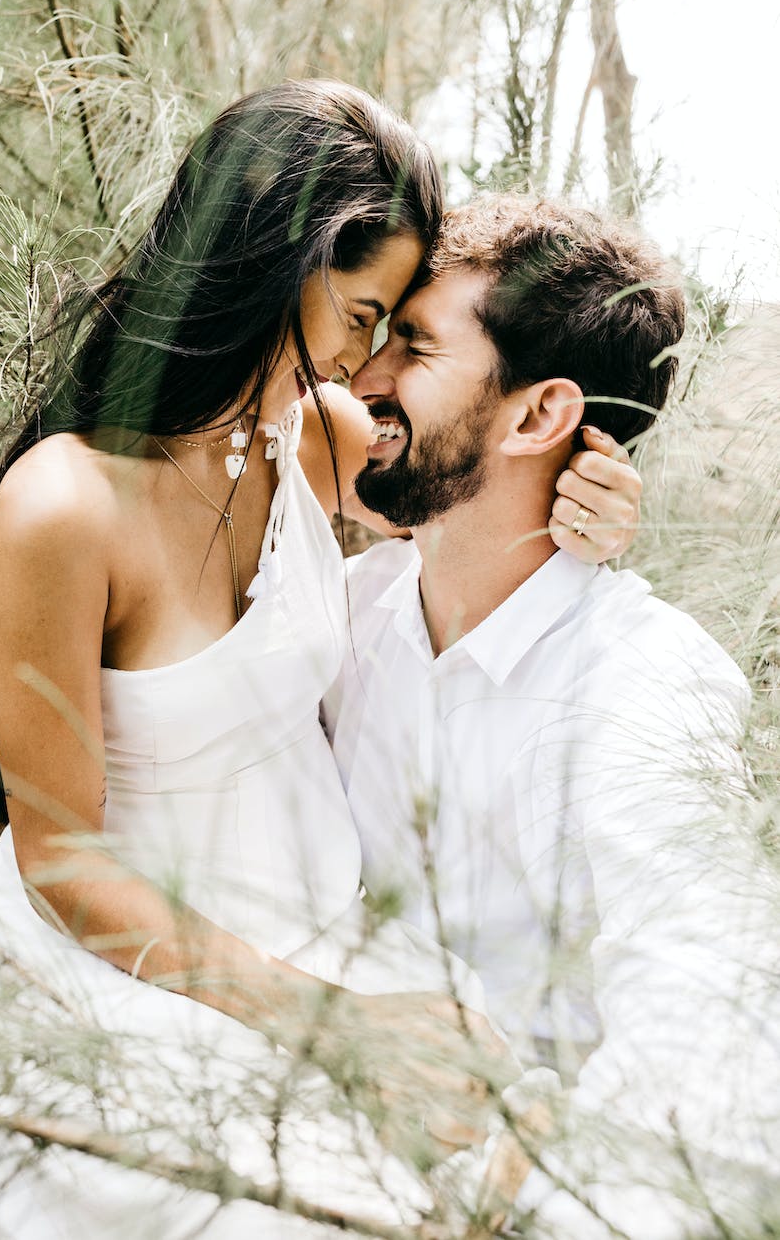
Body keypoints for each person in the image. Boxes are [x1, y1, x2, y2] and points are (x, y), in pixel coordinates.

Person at [0, 84, 641, 1237]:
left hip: (332, 927)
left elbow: (481, 487)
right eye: (360, 316)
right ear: (261, 265)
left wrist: (594, 495)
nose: (365, 369)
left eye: (389, 326)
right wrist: (333, 1027)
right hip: (145, 967)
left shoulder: (315, 439)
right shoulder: (64, 506)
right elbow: (62, 859)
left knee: (551, 1173)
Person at [323, 193, 780, 1238]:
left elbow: (709, 1052)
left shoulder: (644, 683)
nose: (368, 376)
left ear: (538, 415)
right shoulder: (343, 620)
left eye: (416, 347)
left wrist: (517, 1197)